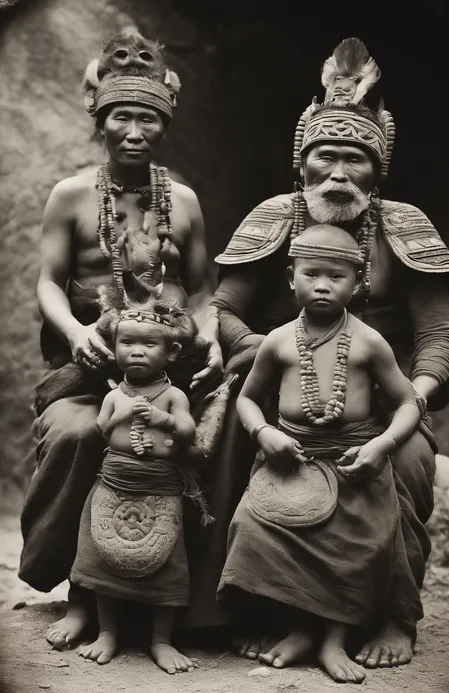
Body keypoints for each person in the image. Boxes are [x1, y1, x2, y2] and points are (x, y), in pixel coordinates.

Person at [189, 37, 449, 668]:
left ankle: (393, 616)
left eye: (355, 160)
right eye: (325, 157)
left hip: (382, 400)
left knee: (414, 462)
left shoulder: (406, 227)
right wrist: (270, 357)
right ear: (302, 163)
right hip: (279, 384)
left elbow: (439, 337)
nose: (339, 173)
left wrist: (409, 402)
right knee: (231, 433)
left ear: (379, 168)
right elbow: (221, 309)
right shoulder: (275, 217)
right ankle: (251, 608)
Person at [18, 28, 222, 650]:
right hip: (93, 362)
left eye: (147, 119)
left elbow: (204, 290)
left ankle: (183, 602)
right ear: (100, 121)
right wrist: (78, 329)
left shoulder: (182, 201)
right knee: (83, 434)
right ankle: (82, 594)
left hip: (168, 365)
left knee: (190, 439)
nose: (134, 131)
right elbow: (49, 284)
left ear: (164, 124)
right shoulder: (71, 196)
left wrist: (208, 338)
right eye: (121, 117)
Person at [218, 225, 422, 683]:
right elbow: (248, 398)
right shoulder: (277, 340)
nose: (324, 285)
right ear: (291, 278)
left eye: (338, 276)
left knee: (357, 542)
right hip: (291, 459)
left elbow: (409, 402)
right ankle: (298, 629)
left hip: (354, 464)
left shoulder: (369, 341)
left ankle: (332, 640)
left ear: (359, 282)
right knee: (252, 527)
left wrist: (380, 446)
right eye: (311, 274)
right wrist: (263, 433)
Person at [71, 287, 210, 673]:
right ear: (114, 347)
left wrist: (162, 419)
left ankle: (161, 640)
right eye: (127, 342)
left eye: (149, 344)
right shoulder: (115, 395)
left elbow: (187, 431)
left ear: (172, 353)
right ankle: (107, 632)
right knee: (102, 558)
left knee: (167, 563)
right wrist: (122, 413)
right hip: (114, 482)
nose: (136, 351)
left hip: (159, 487)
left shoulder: (174, 394)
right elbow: (101, 430)